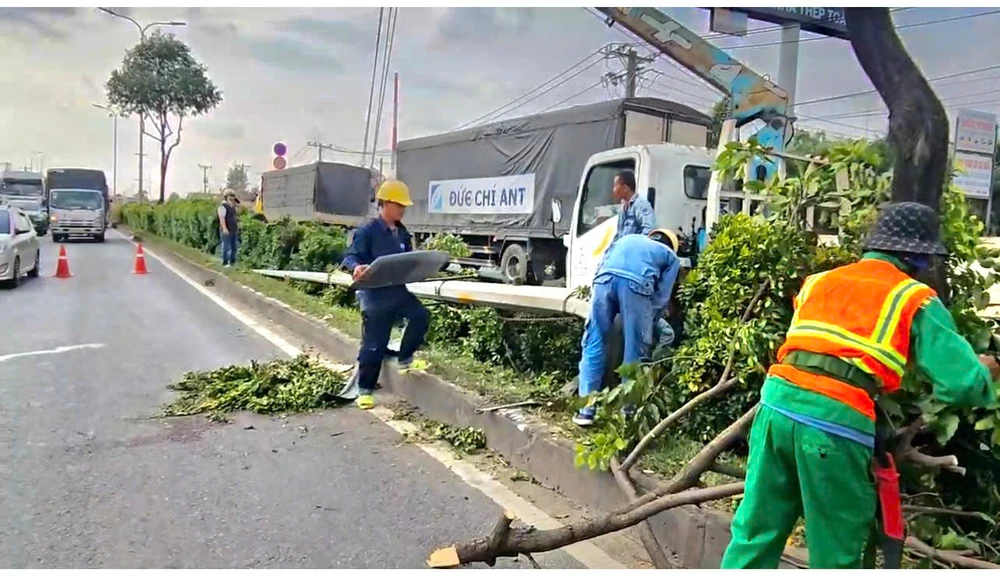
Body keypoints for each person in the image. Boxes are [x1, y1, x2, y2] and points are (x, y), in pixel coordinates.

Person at [721, 202, 1000, 569]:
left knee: (755, 533)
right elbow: (960, 383)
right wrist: (986, 371)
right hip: (834, 422)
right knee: (836, 551)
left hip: (775, 408)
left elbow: (830, 349)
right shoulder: (914, 298)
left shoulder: (820, 281)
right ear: (917, 257)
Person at [574, 228, 681, 426]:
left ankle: (586, 411)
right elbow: (661, 298)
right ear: (671, 245)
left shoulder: (626, 239)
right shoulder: (671, 257)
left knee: (594, 342)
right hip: (636, 285)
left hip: (603, 281)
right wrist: (648, 323)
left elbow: (601, 267)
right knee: (635, 351)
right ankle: (628, 414)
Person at [342, 179, 430, 410]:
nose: (402, 210)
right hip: (375, 294)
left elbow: (407, 260)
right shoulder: (368, 231)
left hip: (397, 290)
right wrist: (356, 268)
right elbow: (351, 256)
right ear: (386, 204)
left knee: (420, 316)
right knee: (375, 344)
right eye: (399, 205)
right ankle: (365, 390)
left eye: (404, 206)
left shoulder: (402, 233)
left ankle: (405, 358)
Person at [218, 190, 240, 267]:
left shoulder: (233, 206)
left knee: (234, 247)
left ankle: (232, 262)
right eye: (230, 196)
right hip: (227, 229)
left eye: (233, 196)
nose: (232, 197)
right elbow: (222, 218)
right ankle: (225, 262)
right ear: (226, 196)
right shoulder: (223, 207)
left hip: (234, 229)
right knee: (226, 247)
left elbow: (234, 217)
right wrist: (224, 228)